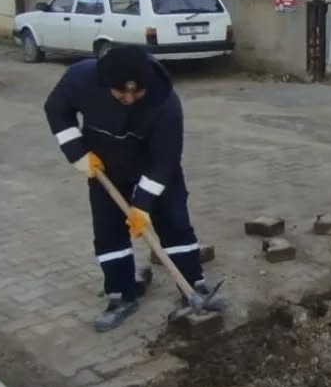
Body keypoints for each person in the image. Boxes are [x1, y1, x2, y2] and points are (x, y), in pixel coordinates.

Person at [44, 46, 224, 332]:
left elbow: (166, 159)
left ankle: (192, 284)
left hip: (153, 168)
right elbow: (56, 109)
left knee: (175, 222)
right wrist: (77, 153)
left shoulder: (165, 102)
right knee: (108, 232)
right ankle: (120, 295)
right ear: (106, 84)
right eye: (121, 92)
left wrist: (143, 204)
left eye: (136, 93)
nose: (129, 99)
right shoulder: (81, 79)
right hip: (106, 171)